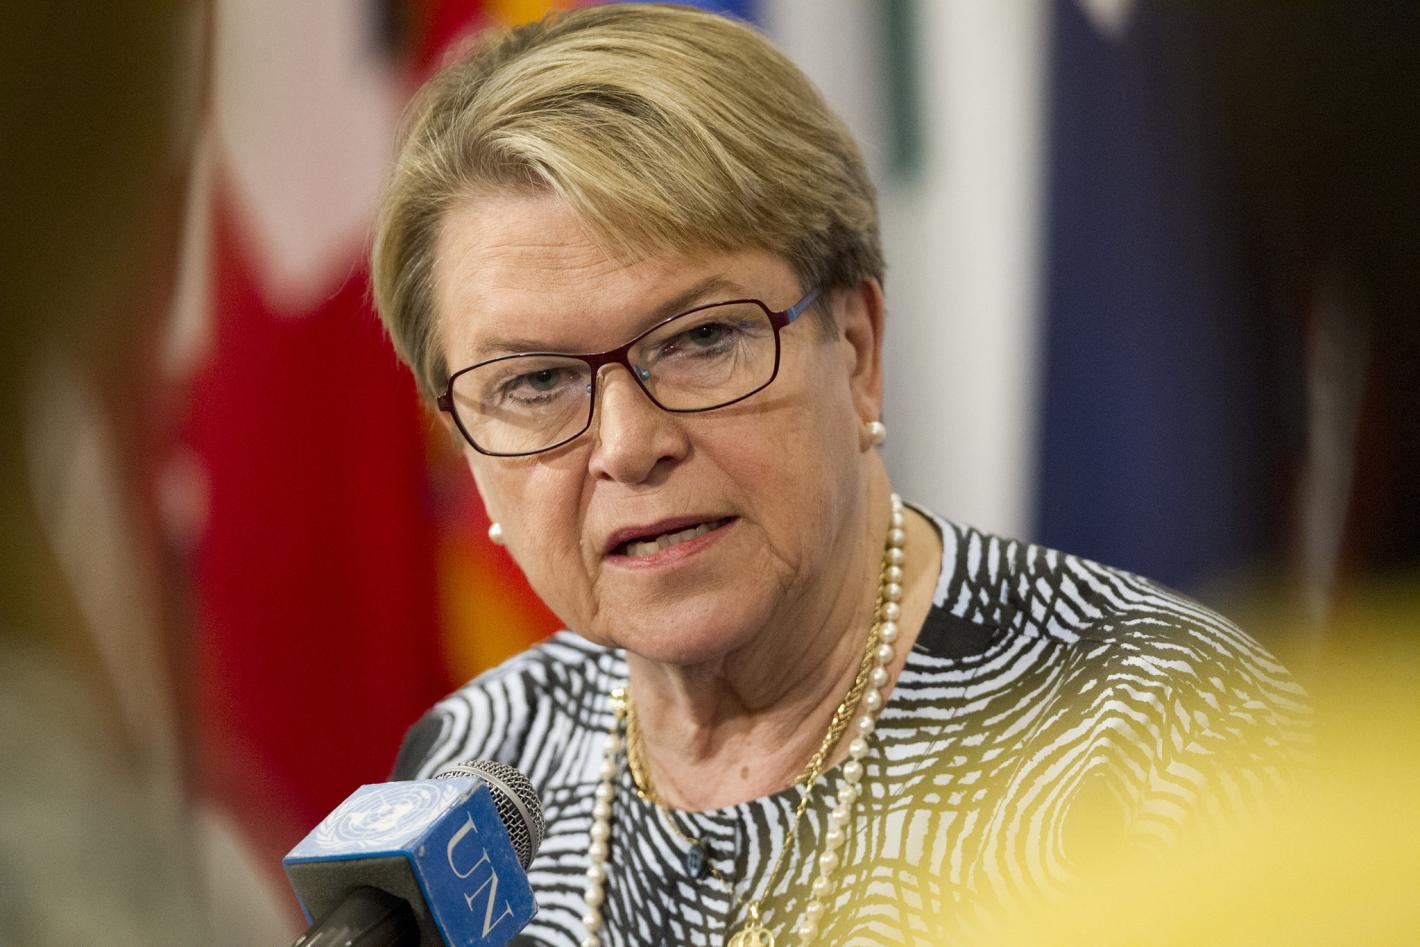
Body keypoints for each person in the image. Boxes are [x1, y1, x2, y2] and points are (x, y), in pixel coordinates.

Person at [374, 5, 1308, 944]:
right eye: (534, 382)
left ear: (856, 346)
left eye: (703, 338)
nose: (627, 443)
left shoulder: (1169, 740)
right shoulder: (472, 775)